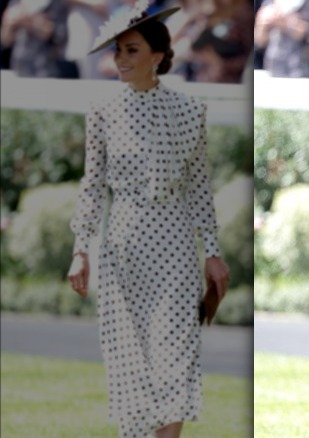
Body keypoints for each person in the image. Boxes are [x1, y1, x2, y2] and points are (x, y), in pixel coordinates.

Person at [67, 2, 230, 437]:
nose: (121, 60)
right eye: (118, 51)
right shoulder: (102, 111)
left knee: (175, 357)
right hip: (121, 250)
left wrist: (212, 253)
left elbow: (199, 188)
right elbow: (92, 184)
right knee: (129, 363)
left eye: (131, 51)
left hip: (175, 248)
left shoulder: (190, 112)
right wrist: (80, 249)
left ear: (157, 56)